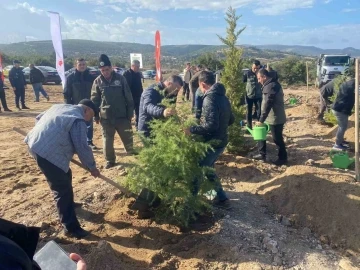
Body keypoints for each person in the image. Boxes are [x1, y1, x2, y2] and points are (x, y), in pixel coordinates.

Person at [24, 99, 101, 239]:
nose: (90, 120)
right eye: (92, 116)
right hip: (47, 153)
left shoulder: (60, 106)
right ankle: (70, 228)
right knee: (61, 189)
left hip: (34, 143)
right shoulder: (78, 120)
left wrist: (47, 137)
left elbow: (39, 118)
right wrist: (92, 167)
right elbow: (82, 147)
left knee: (66, 174)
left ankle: (69, 204)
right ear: (87, 110)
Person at [185, 71, 234, 209]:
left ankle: (190, 204)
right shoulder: (224, 98)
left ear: (202, 84)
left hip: (213, 143)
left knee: (198, 170)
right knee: (209, 170)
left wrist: (191, 130)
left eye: (199, 87)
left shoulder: (209, 98)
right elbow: (231, 120)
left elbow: (211, 125)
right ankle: (221, 198)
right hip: (222, 140)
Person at [91, 54, 135, 169]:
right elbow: (94, 100)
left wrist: (130, 113)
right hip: (106, 117)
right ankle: (110, 160)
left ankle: (131, 152)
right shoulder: (97, 81)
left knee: (128, 136)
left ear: (111, 68)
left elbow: (128, 96)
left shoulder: (120, 79)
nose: (105, 72)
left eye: (107, 69)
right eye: (102, 70)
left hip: (122, 115)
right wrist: (96, 115)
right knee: (107, 141)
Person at [254, 69, 287, 166]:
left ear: (264, 76)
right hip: (268, 117)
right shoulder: (269, 85)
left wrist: (261, 120)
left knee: (277, 138)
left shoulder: (272, 86)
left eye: (259, 78)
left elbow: (268, 103)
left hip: (275, 117)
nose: (258, 81)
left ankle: (283, 158)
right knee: (261, 135)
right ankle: (262, 154)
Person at [64, 58, 97, 149]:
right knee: (76, 125)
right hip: (75, 106)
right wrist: (69, 106)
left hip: (88, 107)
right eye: (80, 64)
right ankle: (75, 143)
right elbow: (67, 93)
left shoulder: (91, 77)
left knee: (89, 125)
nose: (82, 66)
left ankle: (89, 142)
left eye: (83, 64)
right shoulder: (71, 78)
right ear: (76, 65)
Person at [332, 78, 355, 150]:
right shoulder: (352, 85)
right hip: (340, 110)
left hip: (339, 108)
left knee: (342, 126)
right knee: (342, 127)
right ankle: (337, 145)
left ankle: (340, 141)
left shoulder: (349, 83)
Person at [123, 60, 143, 130]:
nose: (138, 68)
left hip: (138, 97)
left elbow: (140, 85)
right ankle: (128, 127)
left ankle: (138, 127)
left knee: (138, 112)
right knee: (129, 113)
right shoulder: (127, 74)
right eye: (137, 66)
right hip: (130, 98)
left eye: (139, 66)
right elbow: (125, 87)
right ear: (133, 66)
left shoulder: (138, 74)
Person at [243, 60, 262, 129]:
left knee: (259, 112)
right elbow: (242, 82)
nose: (256, 69)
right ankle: (249, 127)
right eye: (254, 68)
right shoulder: (247, 74)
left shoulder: (261, 74)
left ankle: (259, 126)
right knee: (249, 112)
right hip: (249, 96)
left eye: (257, 68)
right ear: (252, 66)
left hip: (258, 96)